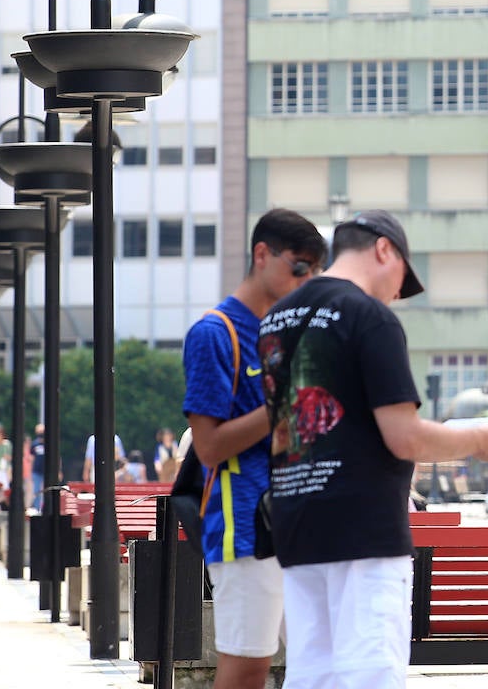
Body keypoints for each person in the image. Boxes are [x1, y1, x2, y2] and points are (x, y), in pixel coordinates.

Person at [259, 209, 488, 689]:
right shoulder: (370, 317)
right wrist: (479, 439)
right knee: (370, 669)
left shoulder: (276, 318)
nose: (397, 294)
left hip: (296, 520)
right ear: (383, 249)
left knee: (312, 671)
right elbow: (405, 436)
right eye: (401, 280)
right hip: (363, 526)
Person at [183, 208, 328, 689]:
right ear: (261, 255)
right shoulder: (213, 333)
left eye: (315, 272)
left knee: (321, 659)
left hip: (299, 521)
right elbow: (207, 447)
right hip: (242, 522)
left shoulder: (289, 333)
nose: (306, 280)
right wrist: (283, 403)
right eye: (300, 267)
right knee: (247, 668)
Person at [29, 424, 45, 512]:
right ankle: (37, 508)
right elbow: (31, 458)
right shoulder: (34, 444)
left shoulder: (50, 443)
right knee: (37, 490)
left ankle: (45, 508)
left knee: (47, 490)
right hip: (36, 471)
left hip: (47, 471)